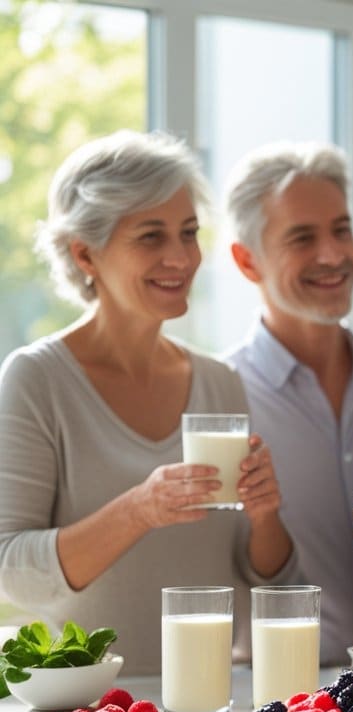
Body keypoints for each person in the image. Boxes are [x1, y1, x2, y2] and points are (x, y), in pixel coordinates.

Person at [0, 131, 293, 674]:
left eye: (188, 233)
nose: (180, 257)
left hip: (205, 705)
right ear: (85, 253)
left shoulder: (219, 381)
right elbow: (11, 568)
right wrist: (139, 510)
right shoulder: (36, 378)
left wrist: (266, 517)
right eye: (150, 237)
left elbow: (262, 583)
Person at [224, 142, 353, 665]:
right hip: (277, 699)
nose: (333, 254)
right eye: (302, 237)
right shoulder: (220, 395)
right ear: (247, 260)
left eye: (341, 228)